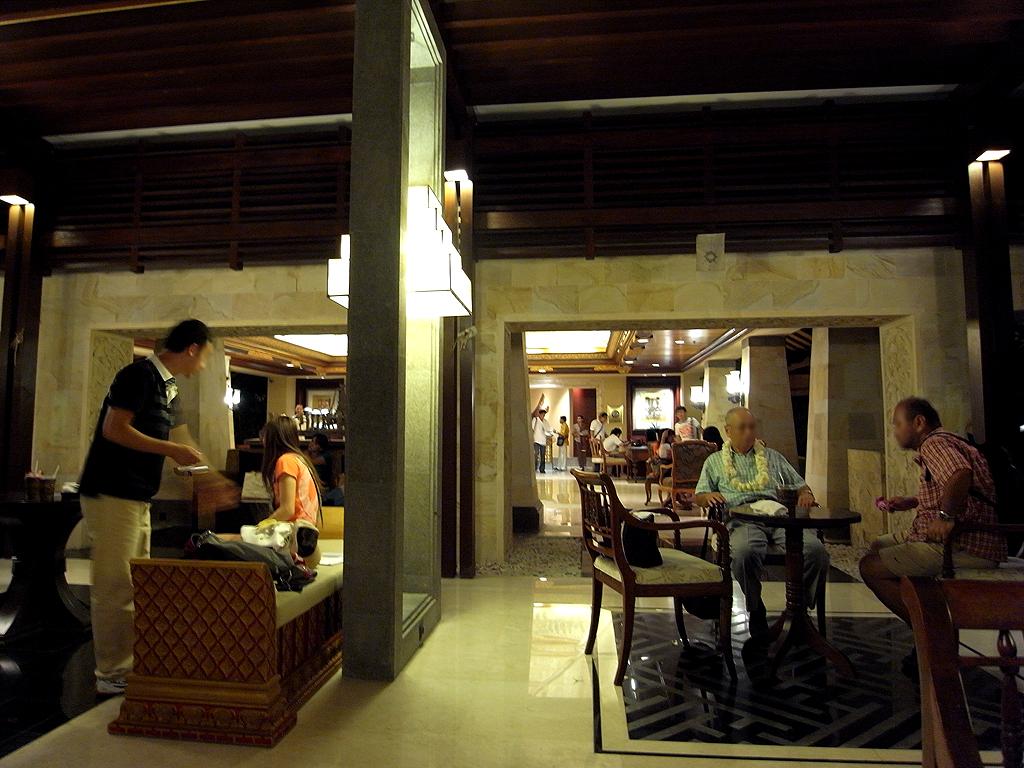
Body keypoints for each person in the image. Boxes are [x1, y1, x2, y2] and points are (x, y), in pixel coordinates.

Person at [79, 319, 212, 696]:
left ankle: (131, 663)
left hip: (136, 494)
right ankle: (111, 672)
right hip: (112, 491)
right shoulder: (138, 375)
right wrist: (172, 450)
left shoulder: (166, 385)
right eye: (204, 356)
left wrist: (181, 461)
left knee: (136, 581)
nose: (203, 365)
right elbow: (114, 429)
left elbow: (157, 437)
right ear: (192, 348)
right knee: (115, 584)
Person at [859, 398, 1004, 628]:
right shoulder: (945, 441)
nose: (895, 432)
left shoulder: (934, 443)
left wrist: (945, 517)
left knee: (870, 567)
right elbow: (954, 488)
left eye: (898, 424)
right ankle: (926, 606)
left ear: (919, 422)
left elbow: (960, 475)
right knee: (879, 546)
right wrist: (913, 501)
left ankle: (931, 629)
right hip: (952, 538)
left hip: (963, 544)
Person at [693, 406, 827, 636]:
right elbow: (700, 495)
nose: (749, 432)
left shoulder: (772, 457)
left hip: (778, 516)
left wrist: (805, 494)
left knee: (816, 552)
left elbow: (801, 486)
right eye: (742, 428)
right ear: (728, 431)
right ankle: (756, 607)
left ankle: (799, 608)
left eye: (752, 427)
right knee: (745, 552)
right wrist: (708, 496)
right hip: (741, 519)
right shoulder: (715, 461)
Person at [308, 432, 344, 506]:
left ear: (320, 447)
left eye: (314, 443)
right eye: (311, 441)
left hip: (324, 491)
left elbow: (312, 462)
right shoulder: (308, 456)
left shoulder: (326, 457)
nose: (311, 444)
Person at [531, 395, 554, 473]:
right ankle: (534, 468)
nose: (543, 416)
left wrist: (551, 434)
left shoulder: (545, 422)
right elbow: (532, 429)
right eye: (542, 414)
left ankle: (542, 469)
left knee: (543, 456)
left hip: (543, 441)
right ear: (539, 414)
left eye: (544, 415)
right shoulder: (535, 420)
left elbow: (549, 429)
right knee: (536, 454)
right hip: (536, 440)